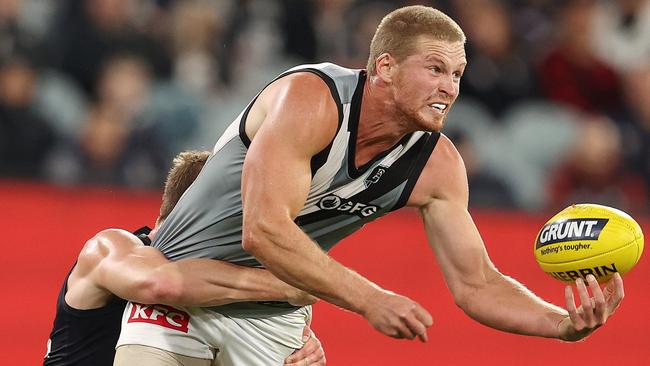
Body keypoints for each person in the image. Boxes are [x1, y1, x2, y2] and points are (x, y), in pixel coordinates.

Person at [116, 5, 625, 365]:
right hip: (177, 291)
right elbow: (264, 230)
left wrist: (560, 323)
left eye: (458, 73)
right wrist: (369, 299)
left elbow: (477, 284)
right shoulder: (311, 98)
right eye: (435, 68)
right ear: (384, 67)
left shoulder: (437, 165)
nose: (450, 86)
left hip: (275, 319)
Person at [44, 150, 326, 366]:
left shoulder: (212, 284)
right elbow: (160, 284)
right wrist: (288, 286)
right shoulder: (108, 247)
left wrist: (292, 347)